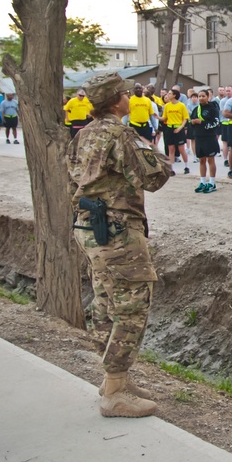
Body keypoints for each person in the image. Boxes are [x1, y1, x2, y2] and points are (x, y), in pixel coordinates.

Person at [67, 72, 172, 418]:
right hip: (117, 232)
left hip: (89, 228)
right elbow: (153, 176)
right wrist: (156, 154)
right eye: (125, 93)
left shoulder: (81, 136)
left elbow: (73, 178)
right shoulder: (120, 134)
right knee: (131, 307)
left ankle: (116, 378)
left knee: (105, 301)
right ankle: (114, 391)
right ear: (115, 100)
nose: (129, 97)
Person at [189, 90, 221, 192]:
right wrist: (193, 122)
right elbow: (191, 121)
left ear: (208, 97)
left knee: (210, 160)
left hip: (209, 137)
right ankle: (202, 182)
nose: (201, 98)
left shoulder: (213, 109)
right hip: (199, 137)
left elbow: (216, 122)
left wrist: (202, 122)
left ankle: (212, 183)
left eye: (203, 96)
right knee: (201, 160)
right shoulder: (196, 109)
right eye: (199, 96)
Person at [160, 89, 190, 174]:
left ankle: (186, 166)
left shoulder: (181, 105)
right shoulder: (167, 106)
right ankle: (171, 169)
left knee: (181, 149)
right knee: (171, 149)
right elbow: (164, 118)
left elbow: (185, 118)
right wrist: (157, 117)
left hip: (179, 128)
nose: (167, 95)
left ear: (174, 95)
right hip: (170, 128)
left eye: (169, 93)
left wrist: (181, 128)